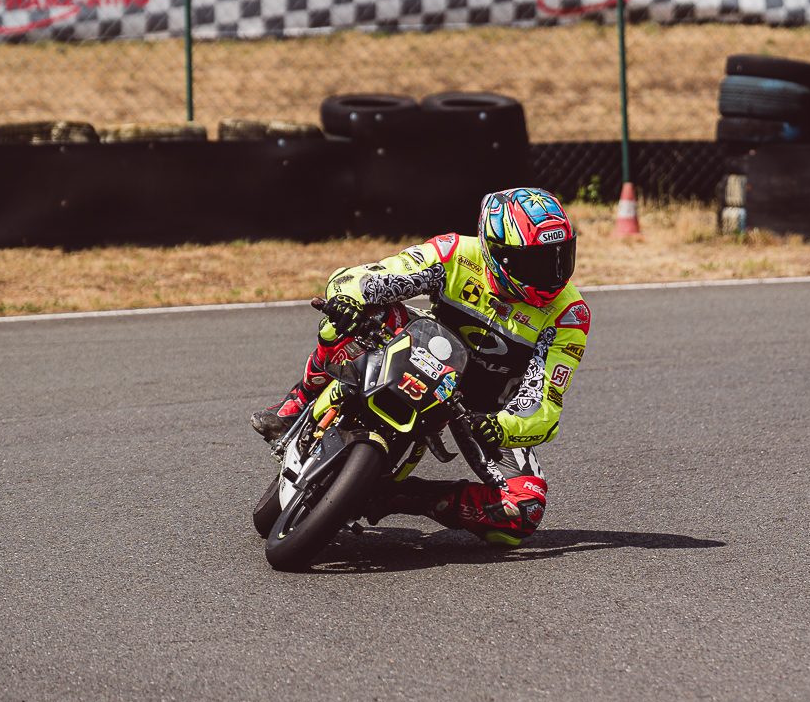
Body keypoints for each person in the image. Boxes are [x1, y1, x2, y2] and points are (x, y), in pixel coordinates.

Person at [252, 186, 588, 549]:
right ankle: (298, 400)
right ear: (496, 253)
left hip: (480, 410)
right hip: (424, 349)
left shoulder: (570, 315)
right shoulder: (455, 253)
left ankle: (403, 496)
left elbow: (544, 404)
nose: (553, 275)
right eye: (537, 262)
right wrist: (350, 297)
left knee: (521, 513)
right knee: (347, 317)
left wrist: (502, 427)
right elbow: (365, 276)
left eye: (560, 257)